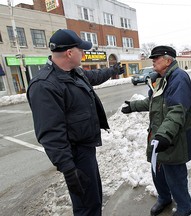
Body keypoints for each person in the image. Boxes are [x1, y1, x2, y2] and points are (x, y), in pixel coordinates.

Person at [26, 29, 124, 216]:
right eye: (81, 50)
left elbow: (94, 77)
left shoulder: (74, 72)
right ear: (70, 53)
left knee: (94, 200)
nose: (84, 53)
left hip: (86, 149)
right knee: (86, 207)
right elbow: (51, 133)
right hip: (75, 155)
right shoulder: (44, 85)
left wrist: (112, 70)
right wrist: (69, 170)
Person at [121, 45, 191, 216]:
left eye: (157, 58)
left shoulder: (179, 79)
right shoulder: (160, 79)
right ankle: (164, 198)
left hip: (172, 138)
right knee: (158, 171)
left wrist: (164, 135)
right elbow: (152, 102)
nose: (153, 61)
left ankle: (185, 206)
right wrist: (134, 106)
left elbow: (177, 111)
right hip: (158, 136)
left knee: (174, 174)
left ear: (168, 60)